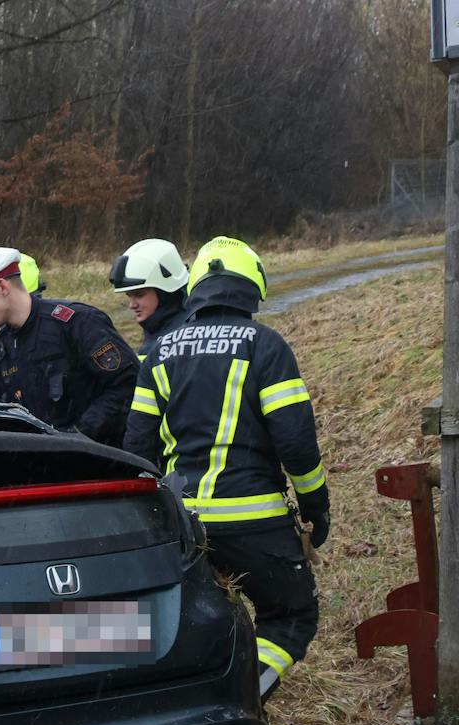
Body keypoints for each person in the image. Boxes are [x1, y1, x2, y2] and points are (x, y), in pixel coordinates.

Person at [124, 236, 328, 700]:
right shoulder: (268, 346)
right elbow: (296, 445)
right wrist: (317, 508)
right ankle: (234, 703)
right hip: (252, 520)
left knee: (193, 621)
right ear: (251, 291)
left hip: (184, 524)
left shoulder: (158, 352)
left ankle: (183, 706)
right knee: (292, 615)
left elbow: (137, 447)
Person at [0, 245, 137, 446]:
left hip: (99, 462)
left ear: (3, 287)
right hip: (41, 466)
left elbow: (127, 383)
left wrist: (78, 437)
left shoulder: (76, 323)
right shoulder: (1, 348)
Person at [109, 238, 189, 359]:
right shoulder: (160, 328)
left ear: (165, 293)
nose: (132, 305)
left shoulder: (181, 341)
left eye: (139, 295)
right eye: (129, 296)